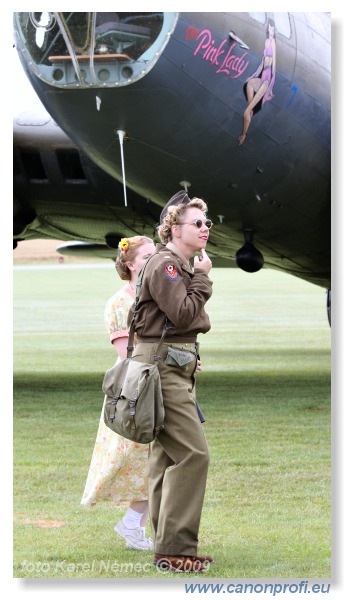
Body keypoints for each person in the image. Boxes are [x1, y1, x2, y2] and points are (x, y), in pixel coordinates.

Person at [130, 191, 214, 572]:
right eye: (197, 223)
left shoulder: (174, 264)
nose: (205, 229)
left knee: (165, 458)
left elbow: (178, 323)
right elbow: (183, 314)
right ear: (174, 228)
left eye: (207, 223)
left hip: (169, 365)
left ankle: (167, 549)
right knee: (194, 455)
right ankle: (178, 549)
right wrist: (202, 279)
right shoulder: (167, 265)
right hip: (162, 370)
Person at [81, 235, 156, 550]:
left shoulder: (158, 294)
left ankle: (134, 527)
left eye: (156, 255)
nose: (152, 261)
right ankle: (132, 525)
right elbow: (127, 355)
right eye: (145, 258)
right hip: (133, 391)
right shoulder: (119, 302)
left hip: (157, 383)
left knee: (159, 459)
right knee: (138, 457)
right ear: (129, 264)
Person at [238, 18, 276, 146]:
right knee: (249, 84)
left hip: (266, 81)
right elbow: (262, 62)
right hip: (261, 77)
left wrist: (270, 87)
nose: (271, 30)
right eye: (270, 28)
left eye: (273, 28)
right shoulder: (266, 42)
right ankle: (251, 111)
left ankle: (243, 135)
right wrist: (253, 76)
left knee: (245, 112)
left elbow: (274, 66)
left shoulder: (273, 44)